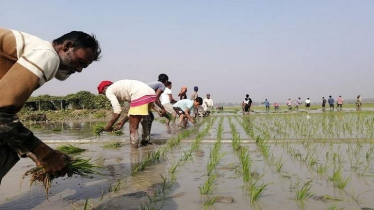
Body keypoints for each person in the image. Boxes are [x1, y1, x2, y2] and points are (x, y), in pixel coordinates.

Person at [0, 28, 101, 183]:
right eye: (80, 61)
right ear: (67, 46)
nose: (79, 69)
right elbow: (2, 113)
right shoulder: (47, 55)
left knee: (8, 147)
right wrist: (46, 154)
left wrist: (34, 153)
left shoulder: (34, 49)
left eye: (84, 67)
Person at [97, 80, 157, 148]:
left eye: (103, 93)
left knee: (133, 127)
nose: (105, 95)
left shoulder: (108, 91)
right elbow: (132, 110)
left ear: (104, 88)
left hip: (140, 94)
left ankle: (134, 149)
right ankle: (145, 141)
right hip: (151, 94)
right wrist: (123, 121)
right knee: (144, 120)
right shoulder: (120, 88)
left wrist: (109, 126)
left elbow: (117, 111)